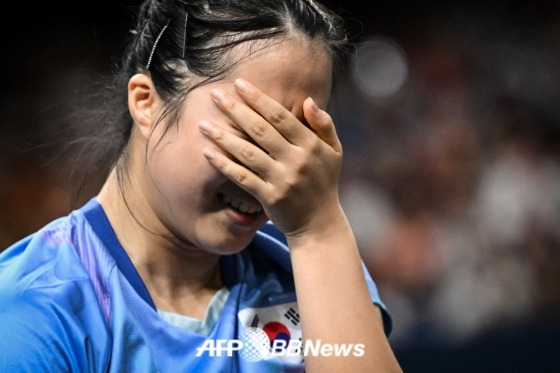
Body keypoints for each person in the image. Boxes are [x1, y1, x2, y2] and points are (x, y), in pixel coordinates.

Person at [0, 0, 402, 371]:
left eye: (298, 137)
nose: (276, 173)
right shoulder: (34, 308)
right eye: (250, 129)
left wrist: (320, 232)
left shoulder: (307, 270)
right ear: (146, 102)